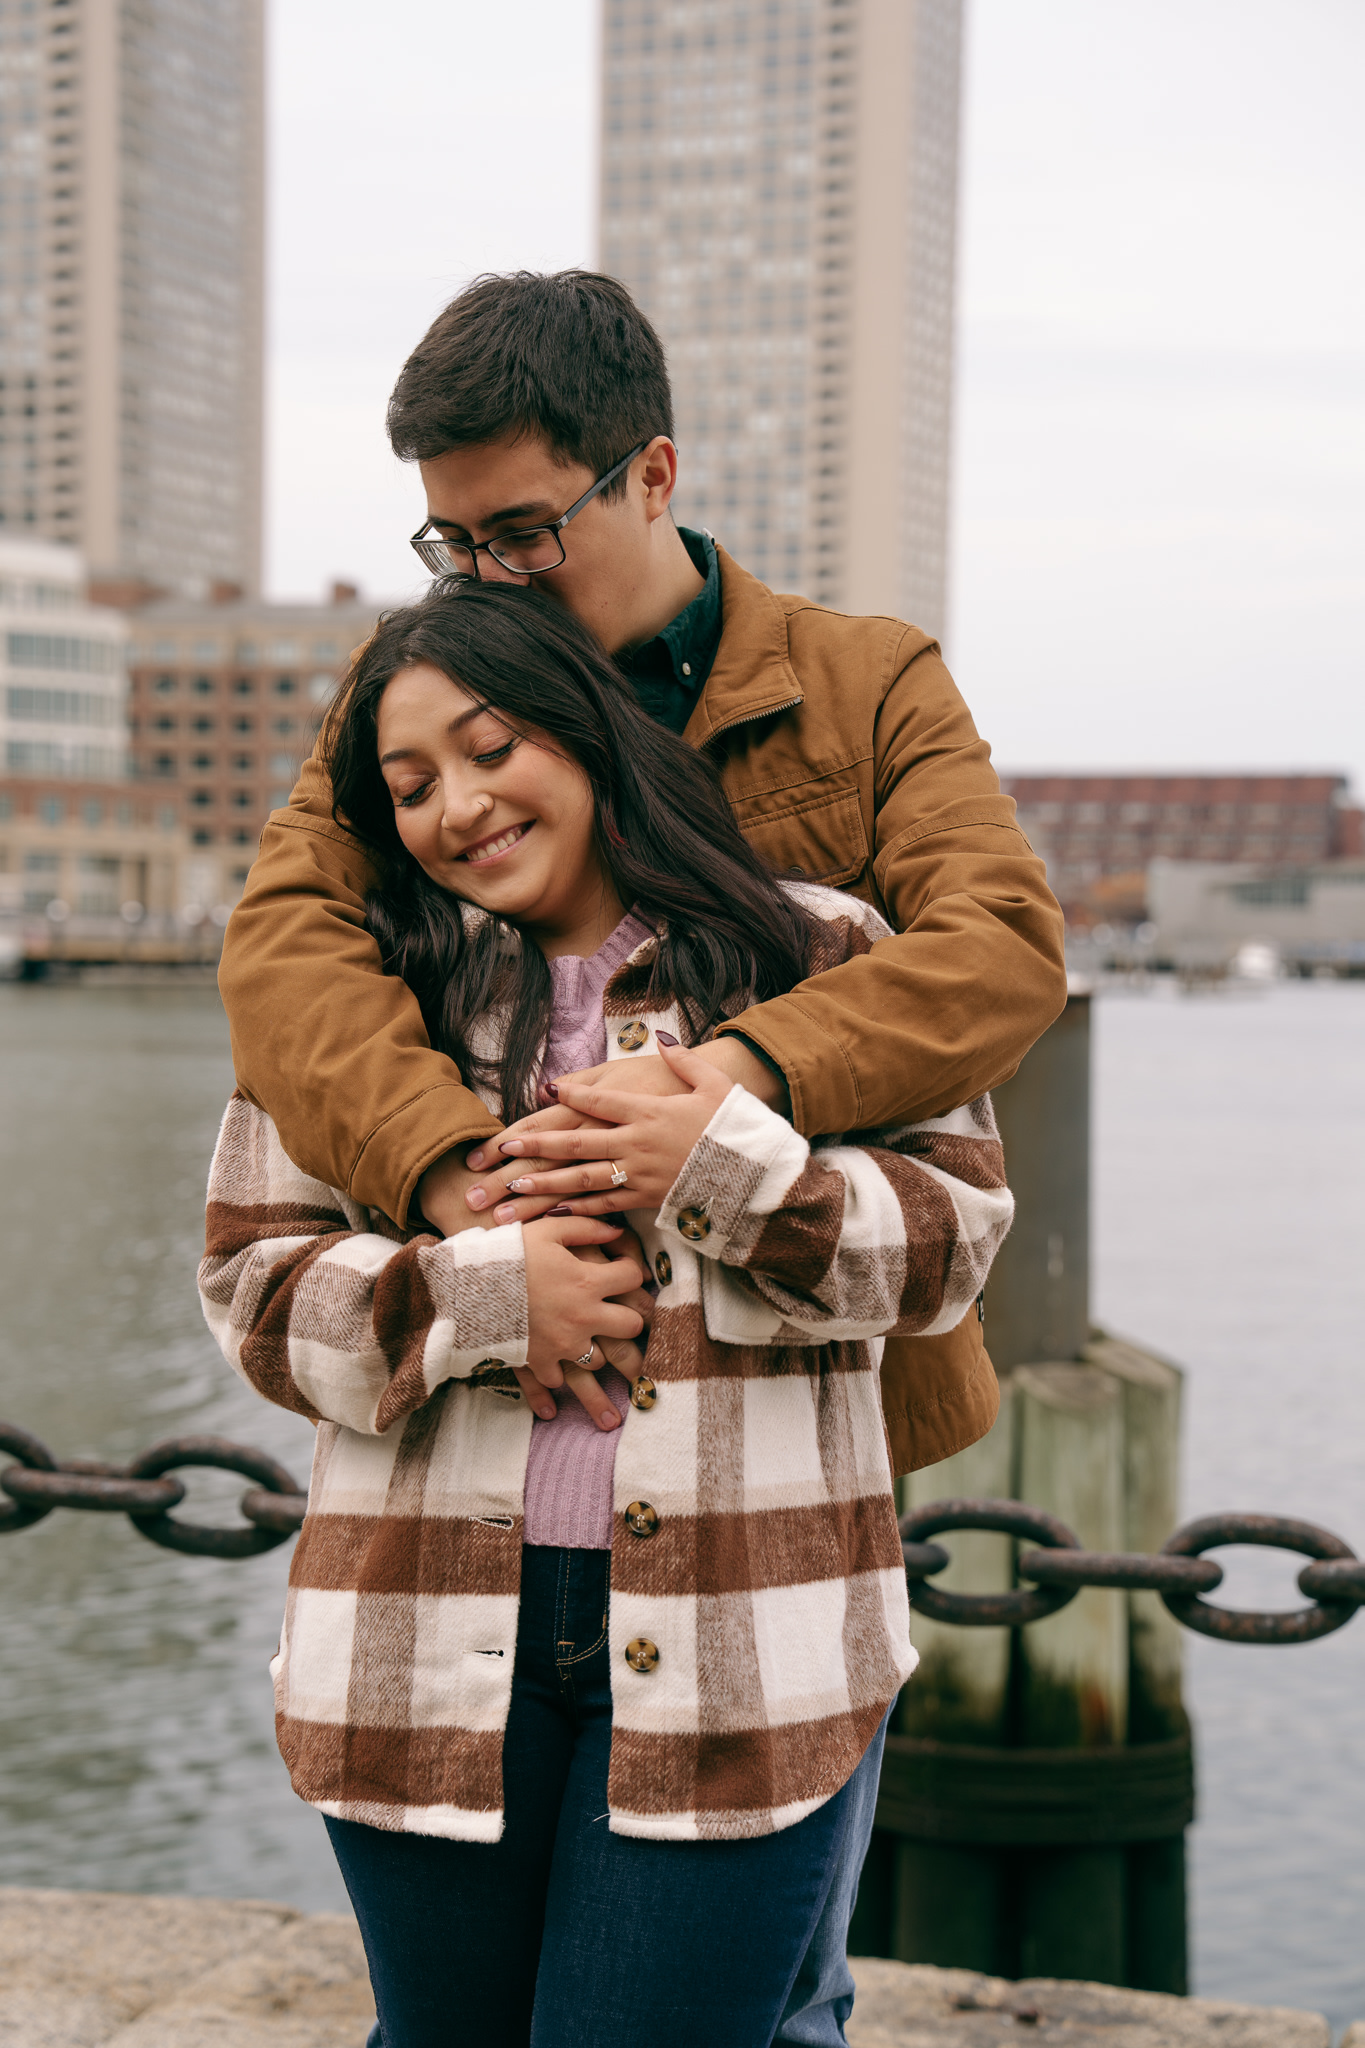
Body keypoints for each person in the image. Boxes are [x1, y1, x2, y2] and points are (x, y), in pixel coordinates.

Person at [216, 268, 1064, 2043]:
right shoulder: (413, 710)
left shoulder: (858, 682)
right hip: (461, 1512)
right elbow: (286, 954)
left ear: (651, 473)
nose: (490, 579)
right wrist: (464, 1189)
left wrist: (733, 1084)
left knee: (770, 1984)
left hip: (787, 1442)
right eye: (454, 546)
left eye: (526, 530)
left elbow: (993, 950)